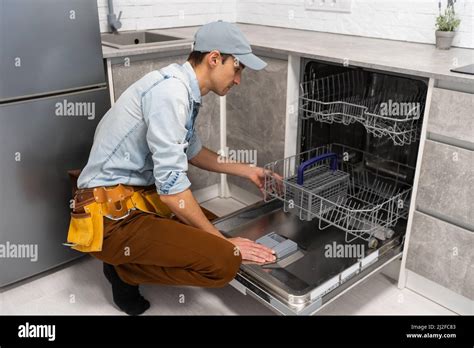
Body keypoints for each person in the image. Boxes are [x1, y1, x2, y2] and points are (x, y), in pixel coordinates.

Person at [71, 21, 276, 315]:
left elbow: (193, 153)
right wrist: (225, 244)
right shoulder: (172, 94)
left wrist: (249, 171)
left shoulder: (181, 88)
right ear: (214, 59)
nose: (239, 80)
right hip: (110, 220)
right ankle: (123, 271)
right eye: (238, 68)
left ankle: (129, 259)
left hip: (135, 200)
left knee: (219, 228)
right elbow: (172, 193)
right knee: (225, 258)